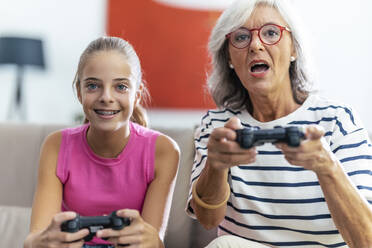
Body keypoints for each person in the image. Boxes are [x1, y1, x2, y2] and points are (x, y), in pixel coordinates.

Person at [186, 0, 372, 247]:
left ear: (294, 49)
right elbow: (208, 220)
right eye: (240, 38)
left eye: (271, 33)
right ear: (229, 57)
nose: (255, 45)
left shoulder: (337, 119)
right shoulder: (218, 127)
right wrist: (216, 165)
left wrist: (327, 167)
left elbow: (366, 239)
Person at [24, 36, 180, 248]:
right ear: (79, 92)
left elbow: (154, 242)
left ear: (137, 95)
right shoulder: (56, 145)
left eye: (121, 87)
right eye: (93, 86)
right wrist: (41, 242)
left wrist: (150, 241)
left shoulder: (163, 151)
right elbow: (34, 239)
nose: (106, 97)